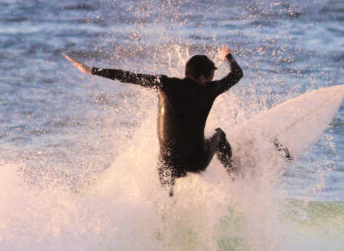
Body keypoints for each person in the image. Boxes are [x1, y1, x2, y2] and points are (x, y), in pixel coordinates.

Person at [63, 45, 243, 193]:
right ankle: (235, 176)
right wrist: (228, 56)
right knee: (218, 134)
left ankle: (165, 218)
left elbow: (129, 77)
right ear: (202, 77)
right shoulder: (209, 90)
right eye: (211, 75)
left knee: (165, 172)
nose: (213, 79)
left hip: (169, 166)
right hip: (197, 162)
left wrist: (91, 70)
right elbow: (237, 74)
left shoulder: (164, 84)